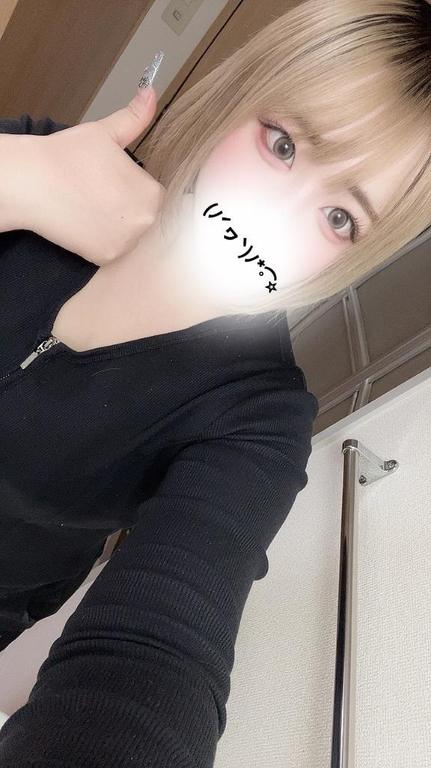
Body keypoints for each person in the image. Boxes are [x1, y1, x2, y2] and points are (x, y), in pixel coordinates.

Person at [0, 0, 430, 765]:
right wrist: (13, 179)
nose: (272, 215)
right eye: (281, 143)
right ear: (242, 92)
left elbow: (155, 665)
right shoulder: (44, 163)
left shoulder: (255, 422)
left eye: (338, 218)